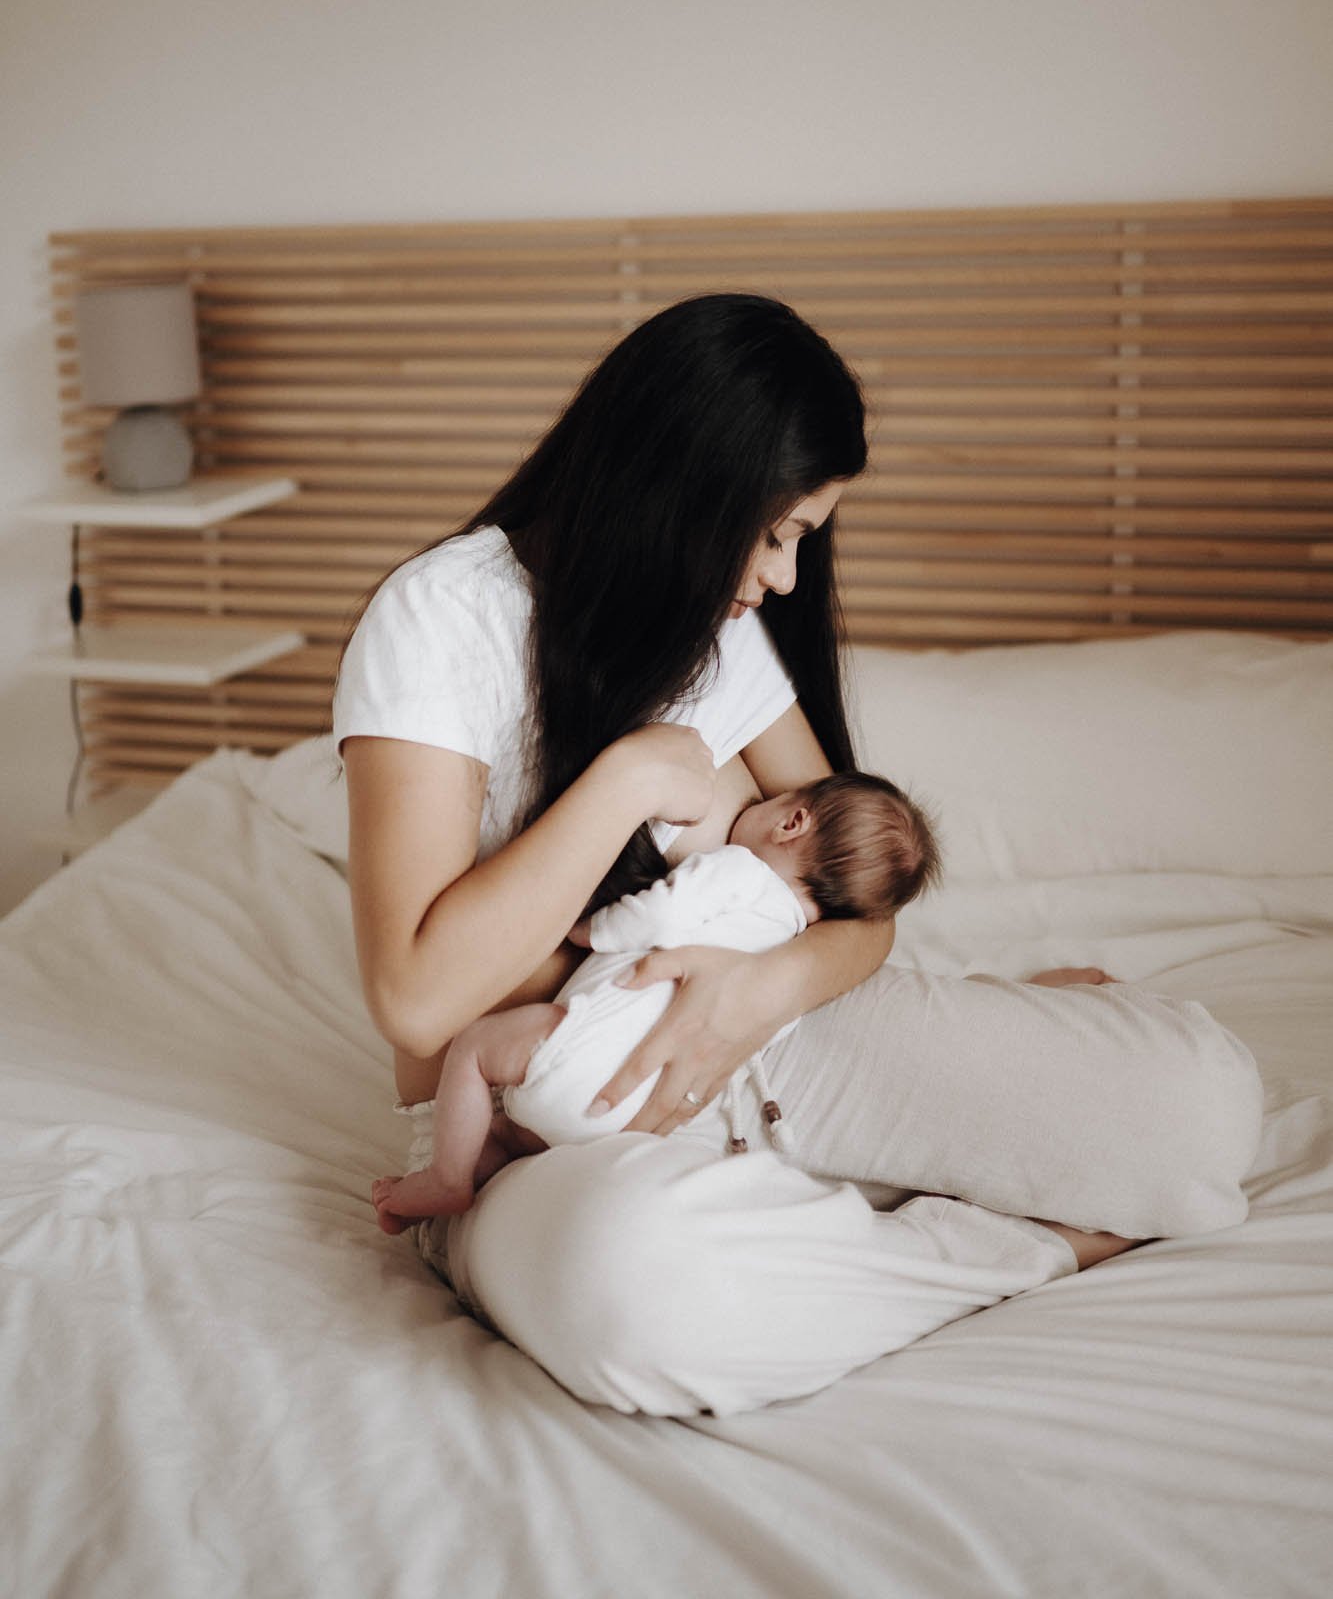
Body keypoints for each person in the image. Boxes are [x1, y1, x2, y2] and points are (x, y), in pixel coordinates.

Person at [336, 293, 1263, 1416]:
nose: (780, 579)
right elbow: (419, 999)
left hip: (787, 1042)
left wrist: (762, 987)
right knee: (640, 1300)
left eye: (800, 540)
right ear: (678, 484)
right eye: (774, 532)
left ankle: (864, 1186)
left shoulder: (722, 633)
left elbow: (860, 909)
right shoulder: (442, 617)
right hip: (537, 1123)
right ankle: (1023, 1243)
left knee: (1200, 1110)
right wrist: (628, 774)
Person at [370, 770, 941, 1230]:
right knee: (519, 1141)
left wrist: (590, 930)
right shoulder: (785, 950)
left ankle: (445, 1178)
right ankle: (431, 1200)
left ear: (792, 821)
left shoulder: (742, 872)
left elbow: (662, 910)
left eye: (774, 800)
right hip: (637, 1118)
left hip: (570, 1053)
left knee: (473, 1049)